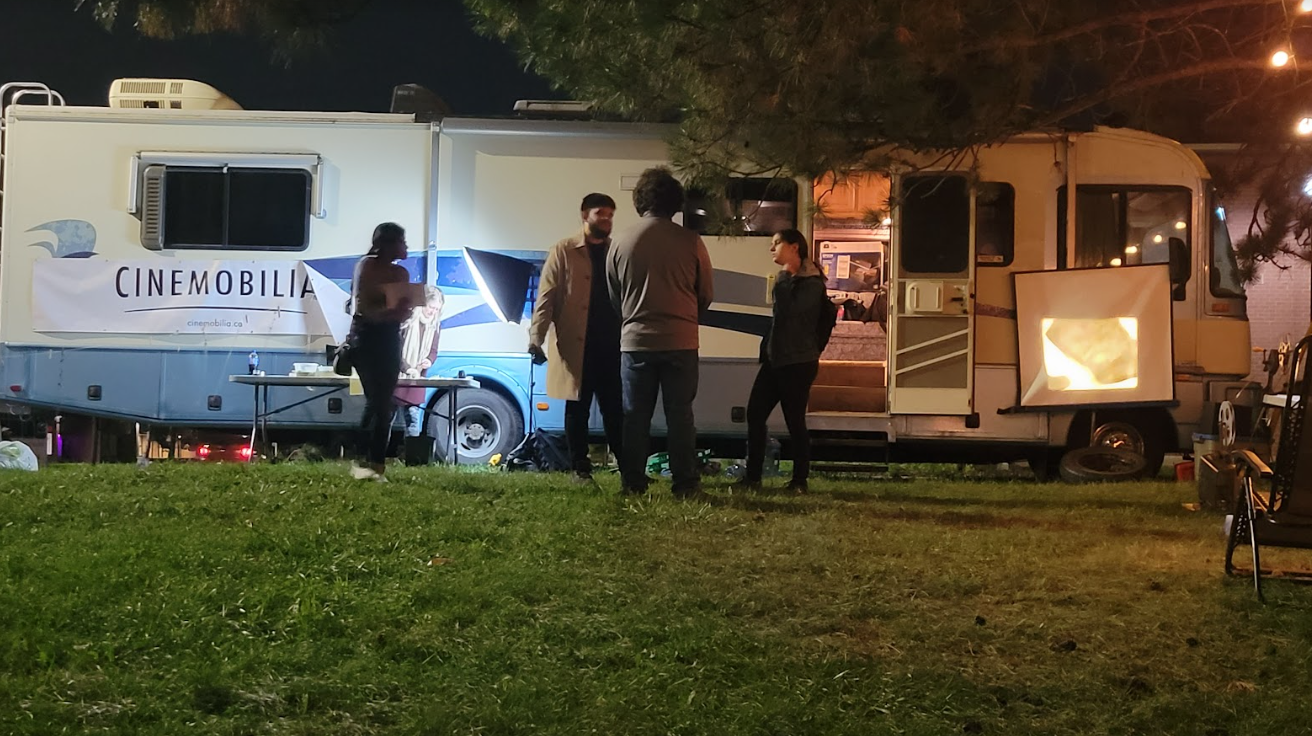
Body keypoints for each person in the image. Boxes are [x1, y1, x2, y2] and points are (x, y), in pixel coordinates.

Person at [606, 168, 714, 497]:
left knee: (635, 417)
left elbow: (615, 296)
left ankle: (633, 482)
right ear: (674, 203)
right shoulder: (691, 241)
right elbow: (706, 294)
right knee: (680, 416)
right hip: (681, 341)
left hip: (636, 342)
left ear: (641, 200)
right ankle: (685, 484)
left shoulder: (621, 242)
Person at [527, 193, 624, 484]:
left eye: (610, 215)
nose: (606, 220)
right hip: (576, 343)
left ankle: (627, 468)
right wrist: (536, 338)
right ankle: (579, 469)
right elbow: (546, 297)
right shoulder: (564, 250)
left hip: (612, 342)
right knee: (577, 407)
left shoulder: (615, 250)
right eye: (600, 214)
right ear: (584, 215)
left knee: (615, 409)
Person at [737, 229, 828, 493]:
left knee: (794, 420)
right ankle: (752, 477)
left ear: (794, 247)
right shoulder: (791, 279)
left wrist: (783, 279)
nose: (771, 249)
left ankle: (800, 480)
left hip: (798, 362)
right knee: (755, 413)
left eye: (776, 243)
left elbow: (789, 314)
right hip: (776, 360)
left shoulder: (811, 283)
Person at [349, 222, 416, 481]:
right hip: (366, 336)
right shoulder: (367, 266)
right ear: (387, 244)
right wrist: (392, 313)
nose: (406, 246)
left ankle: (371, 463)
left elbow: (400, 312)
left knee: (382, 401)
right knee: (378, 401)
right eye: (402, 241)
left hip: (389, 337)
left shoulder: (401, 275)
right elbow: (365, 306)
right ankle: (368, 461)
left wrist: (403, 312)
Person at [396, 286, 445, 437]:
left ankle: (412, 456)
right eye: (431, 307)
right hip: (397, 374)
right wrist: (406, 368)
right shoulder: (407, 320)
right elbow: (394, 349)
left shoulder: (435, 325)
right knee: (387, 416)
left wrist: (429, 361)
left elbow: (433, 351)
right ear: (423, 303)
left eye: (437, 309)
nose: (433, 312)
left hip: (417, 377)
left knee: (413, 415)